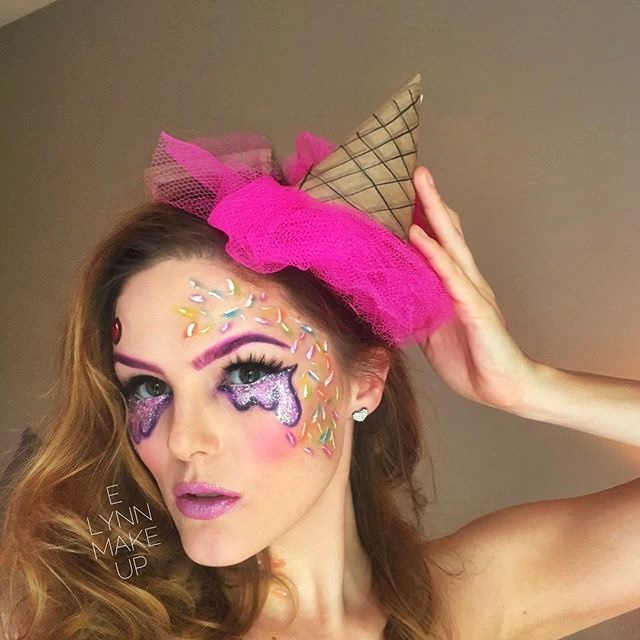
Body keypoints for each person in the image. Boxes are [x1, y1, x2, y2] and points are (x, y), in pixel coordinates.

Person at [1, 77, 639, 640]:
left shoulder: (473, 599)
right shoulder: (69, 619)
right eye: (147, 387)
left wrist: (530, 386)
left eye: (247, 373)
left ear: (366, 381)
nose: (183, 440)